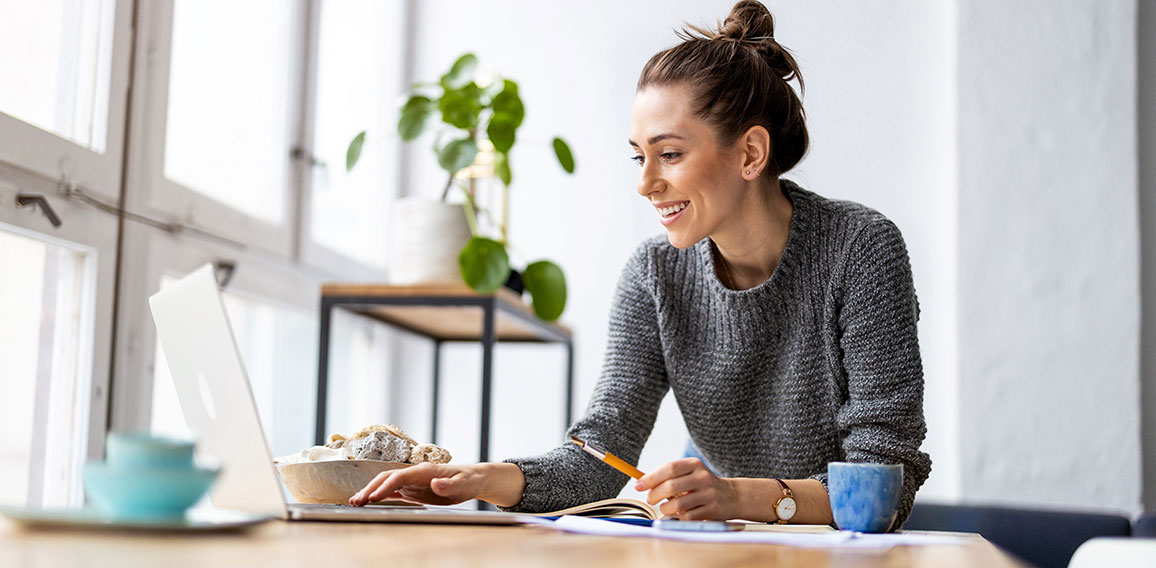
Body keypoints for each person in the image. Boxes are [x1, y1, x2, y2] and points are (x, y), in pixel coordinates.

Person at [350, 0, 931, 529]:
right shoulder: (654, 275)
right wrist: (480, 480)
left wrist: (734, 497)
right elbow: (602, 456)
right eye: (639, 157)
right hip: (723, 544)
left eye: (669, 154)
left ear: (750, 153)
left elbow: (883, 485)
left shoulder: (860, 249)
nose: (646, 184)